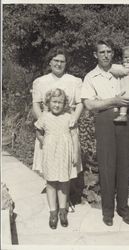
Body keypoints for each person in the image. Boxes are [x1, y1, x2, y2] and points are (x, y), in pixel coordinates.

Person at [81, 39, 129, 226]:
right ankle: (107, 211)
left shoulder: (123, 69)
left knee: (125, 164)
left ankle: (123, 208)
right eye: (102, 52)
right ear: (95, 55)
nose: (106, 55)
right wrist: (113, 101)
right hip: (105, 120)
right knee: (107, 166)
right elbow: (90, 104)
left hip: (127, 121)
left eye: (109, 51)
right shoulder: (91, 77)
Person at [32, 47, 83, 173]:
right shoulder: (40, 81)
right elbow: (36, 103)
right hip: (48, 127)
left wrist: (73, 119)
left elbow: (80, 103)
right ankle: (50, 188)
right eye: (55, 60)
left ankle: (65, 190)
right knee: (48, 165)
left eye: (62, 61)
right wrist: (43, 122)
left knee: (67, 164)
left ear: (66, 63)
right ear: (50, 62)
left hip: (67, 126)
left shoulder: (74, 81)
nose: (58, 64)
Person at [35, 88, 80, 229]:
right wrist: (45, 141)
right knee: (51, 182)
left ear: (64, 103)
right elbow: (38, 131)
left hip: (64, 153)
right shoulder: (44, 116)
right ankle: (53, 212)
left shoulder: (69, 117)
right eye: (54, 101)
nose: (57, 105)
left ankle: (62, 212)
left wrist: (75, 154)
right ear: (48, 102)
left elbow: (74, 136)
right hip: (50, 153)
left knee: (64, 182)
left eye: (60, 102)